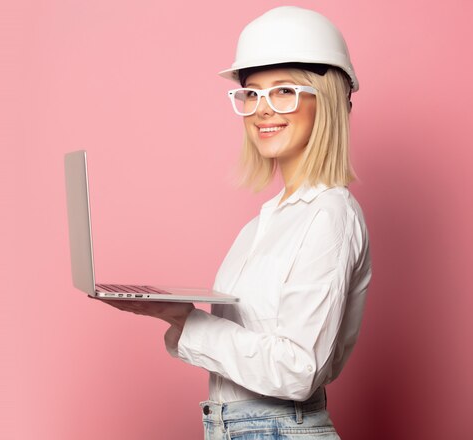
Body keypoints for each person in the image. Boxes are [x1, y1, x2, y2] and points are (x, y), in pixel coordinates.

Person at [101, 6, 371, 439]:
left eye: (283, 91)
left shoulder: (331, 214)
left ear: (330, 99)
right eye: (252, 93)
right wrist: (173, 316)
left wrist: (189, 321)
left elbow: (298, 370)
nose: (263, 110)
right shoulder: (261, 226)